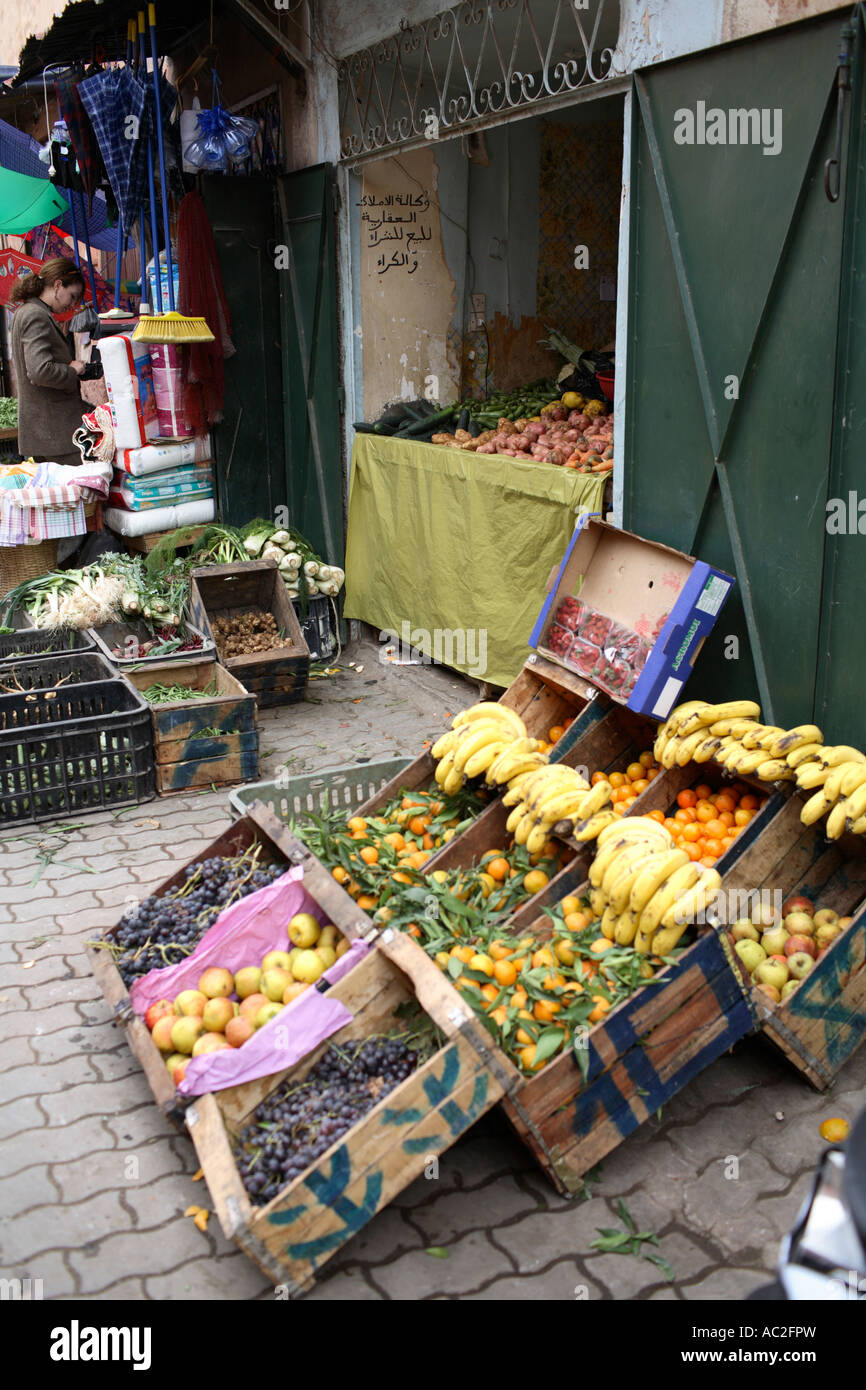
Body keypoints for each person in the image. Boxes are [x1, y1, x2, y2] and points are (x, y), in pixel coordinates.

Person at [10, 257, 88, 468]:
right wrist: (72, 369)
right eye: (72, 296)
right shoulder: (35, 315)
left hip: (47, 433)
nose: (72, 304)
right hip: (55, 433)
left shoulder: (28, 312)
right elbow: (39, 371)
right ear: (57, 285)